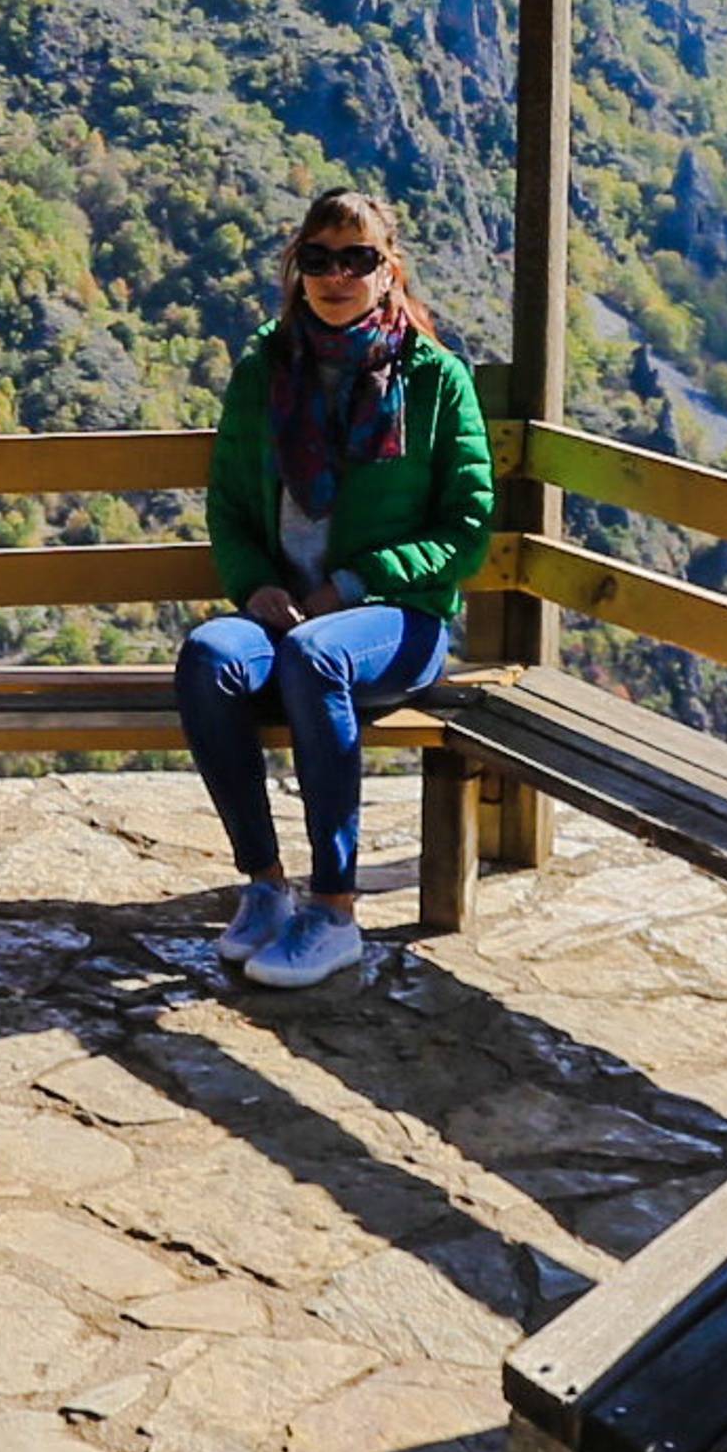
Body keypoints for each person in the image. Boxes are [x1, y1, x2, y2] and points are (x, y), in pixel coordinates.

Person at [179, 189, 495, 990]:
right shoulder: (266, 367)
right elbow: (227, 503)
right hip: (285, 616)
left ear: (389, 269)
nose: (337, 275)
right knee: (208, 656)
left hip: (397, 622)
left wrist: (357, 583)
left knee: (318, 656)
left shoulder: (434, 380)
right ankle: (264, 885)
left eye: (357, 258)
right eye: (318, 258)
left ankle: (336, 908)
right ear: (298, 270)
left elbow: (466, 530)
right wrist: (252, 588)